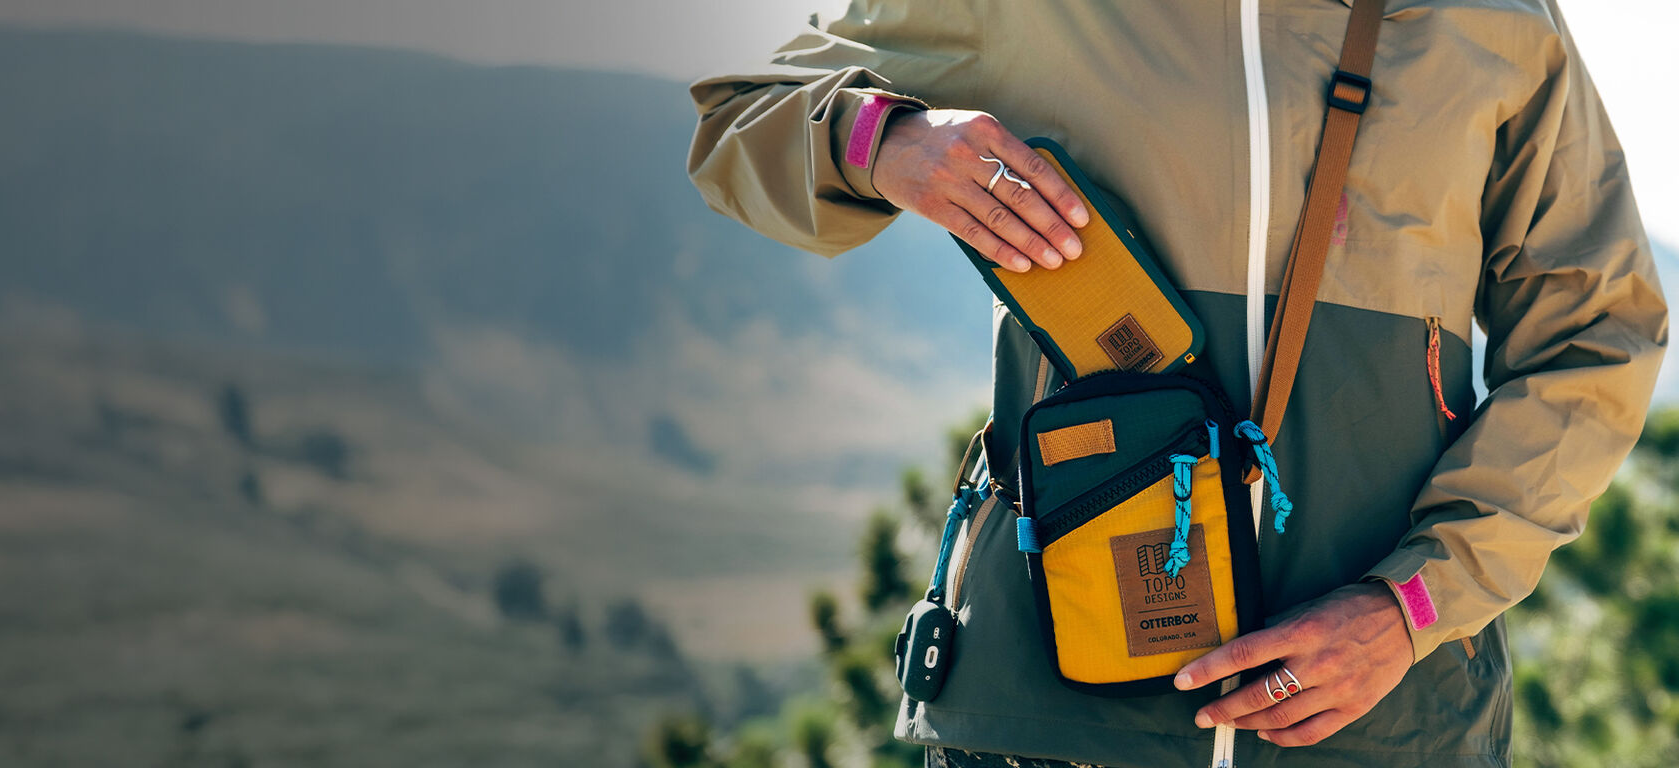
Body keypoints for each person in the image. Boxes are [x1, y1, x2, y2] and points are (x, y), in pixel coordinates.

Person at [685, 1, 1667, 766]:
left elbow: (1598, 334)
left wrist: (1413, 603)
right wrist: (889, 143)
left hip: (1389, 726)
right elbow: (740, 121)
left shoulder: (1495, 16)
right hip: (1047, 723)